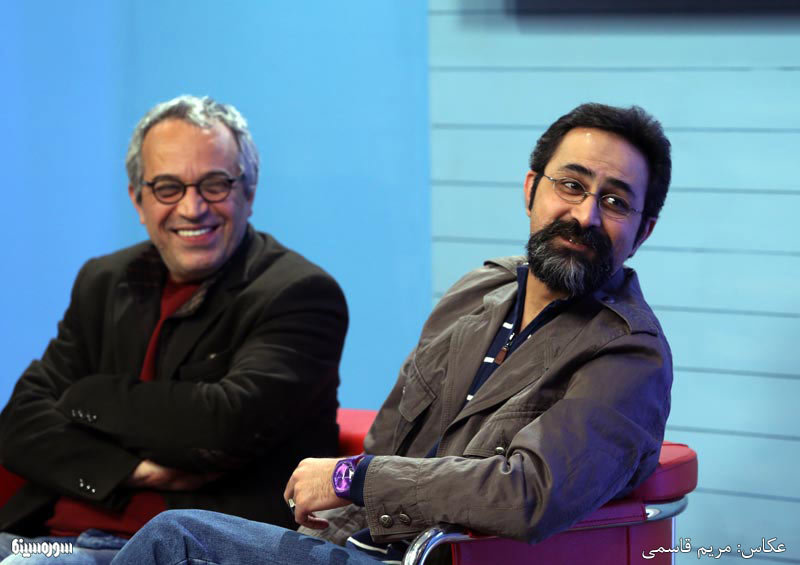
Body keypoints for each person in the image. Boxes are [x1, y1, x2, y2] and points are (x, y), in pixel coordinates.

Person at [111, 102, 674, 565]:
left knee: (176, 540)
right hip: (356, 547)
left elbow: (529, 491)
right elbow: (387, 439)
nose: (585, 215)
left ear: (643, 231)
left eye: (615, 201)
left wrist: (353, 478)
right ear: (531, 189)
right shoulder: (479, 291)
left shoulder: (629, 354)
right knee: (79, 556)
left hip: (430, 559)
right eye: (570, 185)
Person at [0, 95, 348, 564]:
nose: (192, 207)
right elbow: (19, 425)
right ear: (138, 200)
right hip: (49, 536)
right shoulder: (104, 280)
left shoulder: (299, 294)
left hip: (182, 549)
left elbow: (223, 426)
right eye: (167, 187)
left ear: (249, 192)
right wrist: (134, 470)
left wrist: (87, 396)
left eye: (214, 184)